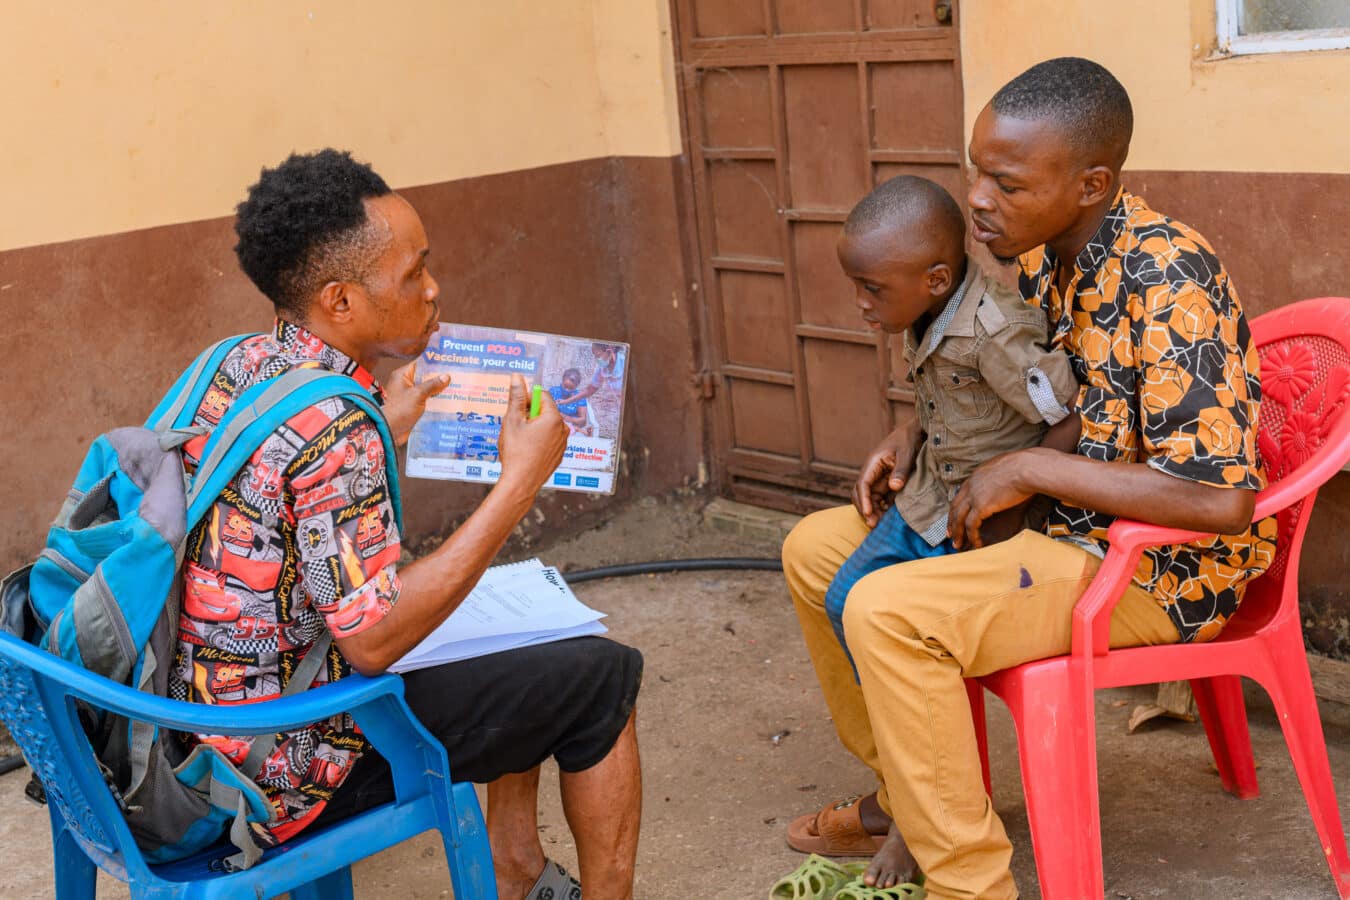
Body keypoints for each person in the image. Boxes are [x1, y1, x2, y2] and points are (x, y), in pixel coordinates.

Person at [781, 57, 1276, 899]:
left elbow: (1222, 503)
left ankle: (968, 881)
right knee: (815, 551)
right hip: (1052, 523)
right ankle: (915, 798)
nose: (977, 198)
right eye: (978, 171)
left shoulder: (1170, 279)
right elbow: (1015, 386)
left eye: (1006, 183)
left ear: (1090, 183)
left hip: (1151, 565)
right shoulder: (1050, 258)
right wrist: (918, 429)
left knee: (887, 610)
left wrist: (1033, 466)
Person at [170, 149, 642, 900]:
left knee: (529, 644)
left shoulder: (233, 363)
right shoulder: (333, 426)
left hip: (186, 718)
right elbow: (373, 638)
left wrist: (383, 429)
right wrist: (519, 483)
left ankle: (515, 867)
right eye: (412, 273)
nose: (432, 289)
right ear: (342, 302)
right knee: (599, 677)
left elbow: (273, 508)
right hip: (283, 763)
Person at [811, 174, 1078, 680]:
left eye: (872, 289)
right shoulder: (927, 311)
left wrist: (1022, 510)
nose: (861, 302)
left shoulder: (992, 334)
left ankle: (918, 718)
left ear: (934, 279)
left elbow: (1064, 415)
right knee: (846, 600)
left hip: (979, 516)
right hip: (929, 499)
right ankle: (903, 720)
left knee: (865, 609)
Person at [550, 367, 594, 435]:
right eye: (565, 386)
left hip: (572, 427)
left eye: (571, 388)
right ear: (563, 379)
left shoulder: (579, 397)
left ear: (576, 386)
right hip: (554, 424)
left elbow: (583, 420)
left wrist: (568, 418)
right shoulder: (553, 391)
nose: (567, 390)